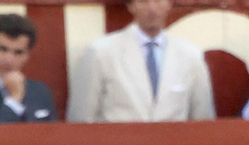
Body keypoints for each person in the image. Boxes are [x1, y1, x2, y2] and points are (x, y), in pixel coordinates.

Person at [67, 0, 214, 123]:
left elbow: (203, 119)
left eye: (158, 0)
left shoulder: (190, 55)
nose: (152, 8)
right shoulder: (100, 52)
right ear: (131, 6)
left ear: (169, 4)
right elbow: (81, 120)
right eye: (144, 1)